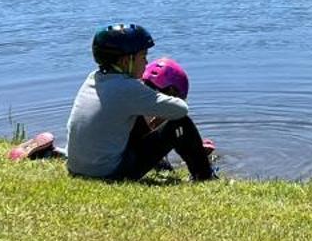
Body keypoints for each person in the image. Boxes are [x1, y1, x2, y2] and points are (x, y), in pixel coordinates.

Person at [64, 24, 217, 182]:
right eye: (143, 56)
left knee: (132, 115)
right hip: (108, 173)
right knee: (179, 124)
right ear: (126, 61)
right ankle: (205, 176)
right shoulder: (128, 88)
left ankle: (161, 163)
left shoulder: (93, 78)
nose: (146, 62)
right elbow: (181, 109)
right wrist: (158, 105)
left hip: (76, 168)